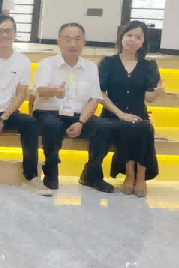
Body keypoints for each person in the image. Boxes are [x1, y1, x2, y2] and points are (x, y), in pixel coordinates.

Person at [0, 15, 50, 196]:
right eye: (0, 31)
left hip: (6, 112)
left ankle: (31, 176)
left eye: (8, 31)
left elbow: (21, 94)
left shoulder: (23, 61)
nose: (4, 35)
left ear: (15, 33)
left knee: (30, 123)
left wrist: (3, 118)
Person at [32, 22, 116, 193]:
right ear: (59, 42)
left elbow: (94, 99)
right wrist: (54, 91)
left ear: (84, 42)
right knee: (52, 125)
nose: (73, 44)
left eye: (77, 39)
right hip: (49, 112)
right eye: (68, 39)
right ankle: (51, 170)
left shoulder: (91, 67)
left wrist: (81, 122)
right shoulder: (46, 64)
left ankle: (91, 174)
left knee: (104, 127)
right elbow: (39, 90)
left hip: (78, 115)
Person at [98, 20, 163, 197]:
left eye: (138, 37)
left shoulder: (149, 65)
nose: (133, 40)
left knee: (144, 127)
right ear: (121, 37)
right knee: (129, 126)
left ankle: (141, 177)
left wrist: (157, 92)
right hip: (112, 114)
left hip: (138, 114)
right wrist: (121, 114)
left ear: (143, 42)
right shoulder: (107, 62)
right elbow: (100, 95)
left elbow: (149, 98)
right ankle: (130, 175)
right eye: (129, 35)